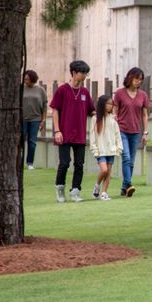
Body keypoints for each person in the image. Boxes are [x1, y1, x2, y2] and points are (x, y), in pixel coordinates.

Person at [50, 60, 95, 203]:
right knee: (64, 163)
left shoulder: (85, 93)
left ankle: (75, 191)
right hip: (64, 133)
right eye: (82, 73)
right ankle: (60, 188)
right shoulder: (62, 90)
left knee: (79, 164)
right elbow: (55, 110)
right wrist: (57, 131)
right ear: (74, 73)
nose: (84, 76)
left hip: (80, 135)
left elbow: (91, 111)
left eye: (86, 73)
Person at [113, 67, 151, 197]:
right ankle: (129, 184)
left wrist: (145, 132)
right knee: (126, 158)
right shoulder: (119, 93)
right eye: (136, 78)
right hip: (122, 130)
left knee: (131, 161)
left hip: (136, 132)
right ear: (130, 78)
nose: (138, 81)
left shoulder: (143, 95)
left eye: (140, 79)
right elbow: (115, 112)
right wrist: (114, 128)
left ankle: (124, 188)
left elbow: (145, 115)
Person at [89, 94, 123, 200]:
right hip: (101, 151)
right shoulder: (95, 119)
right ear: (102, 104)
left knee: (108, 172)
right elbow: (92, 135)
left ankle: (104, 193)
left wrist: (118, 148)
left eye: (111, 104)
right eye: (108, 103)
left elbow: (117, 135)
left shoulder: (113, 120)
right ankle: (97, 186)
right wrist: (95, 149)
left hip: (111, 150)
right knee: (104, 170)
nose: (110, 106)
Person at [21, 70, 48, 170]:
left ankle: (30, 162)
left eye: (27, 79)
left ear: (32, 79)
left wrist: (43, 120)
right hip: (22, 119)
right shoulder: (21, 88)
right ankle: (19, 162)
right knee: (20, 141)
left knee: (32, 142)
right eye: (24, 79)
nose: (25, 80)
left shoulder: (40, 90)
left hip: (35, 119)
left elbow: (45, 106)